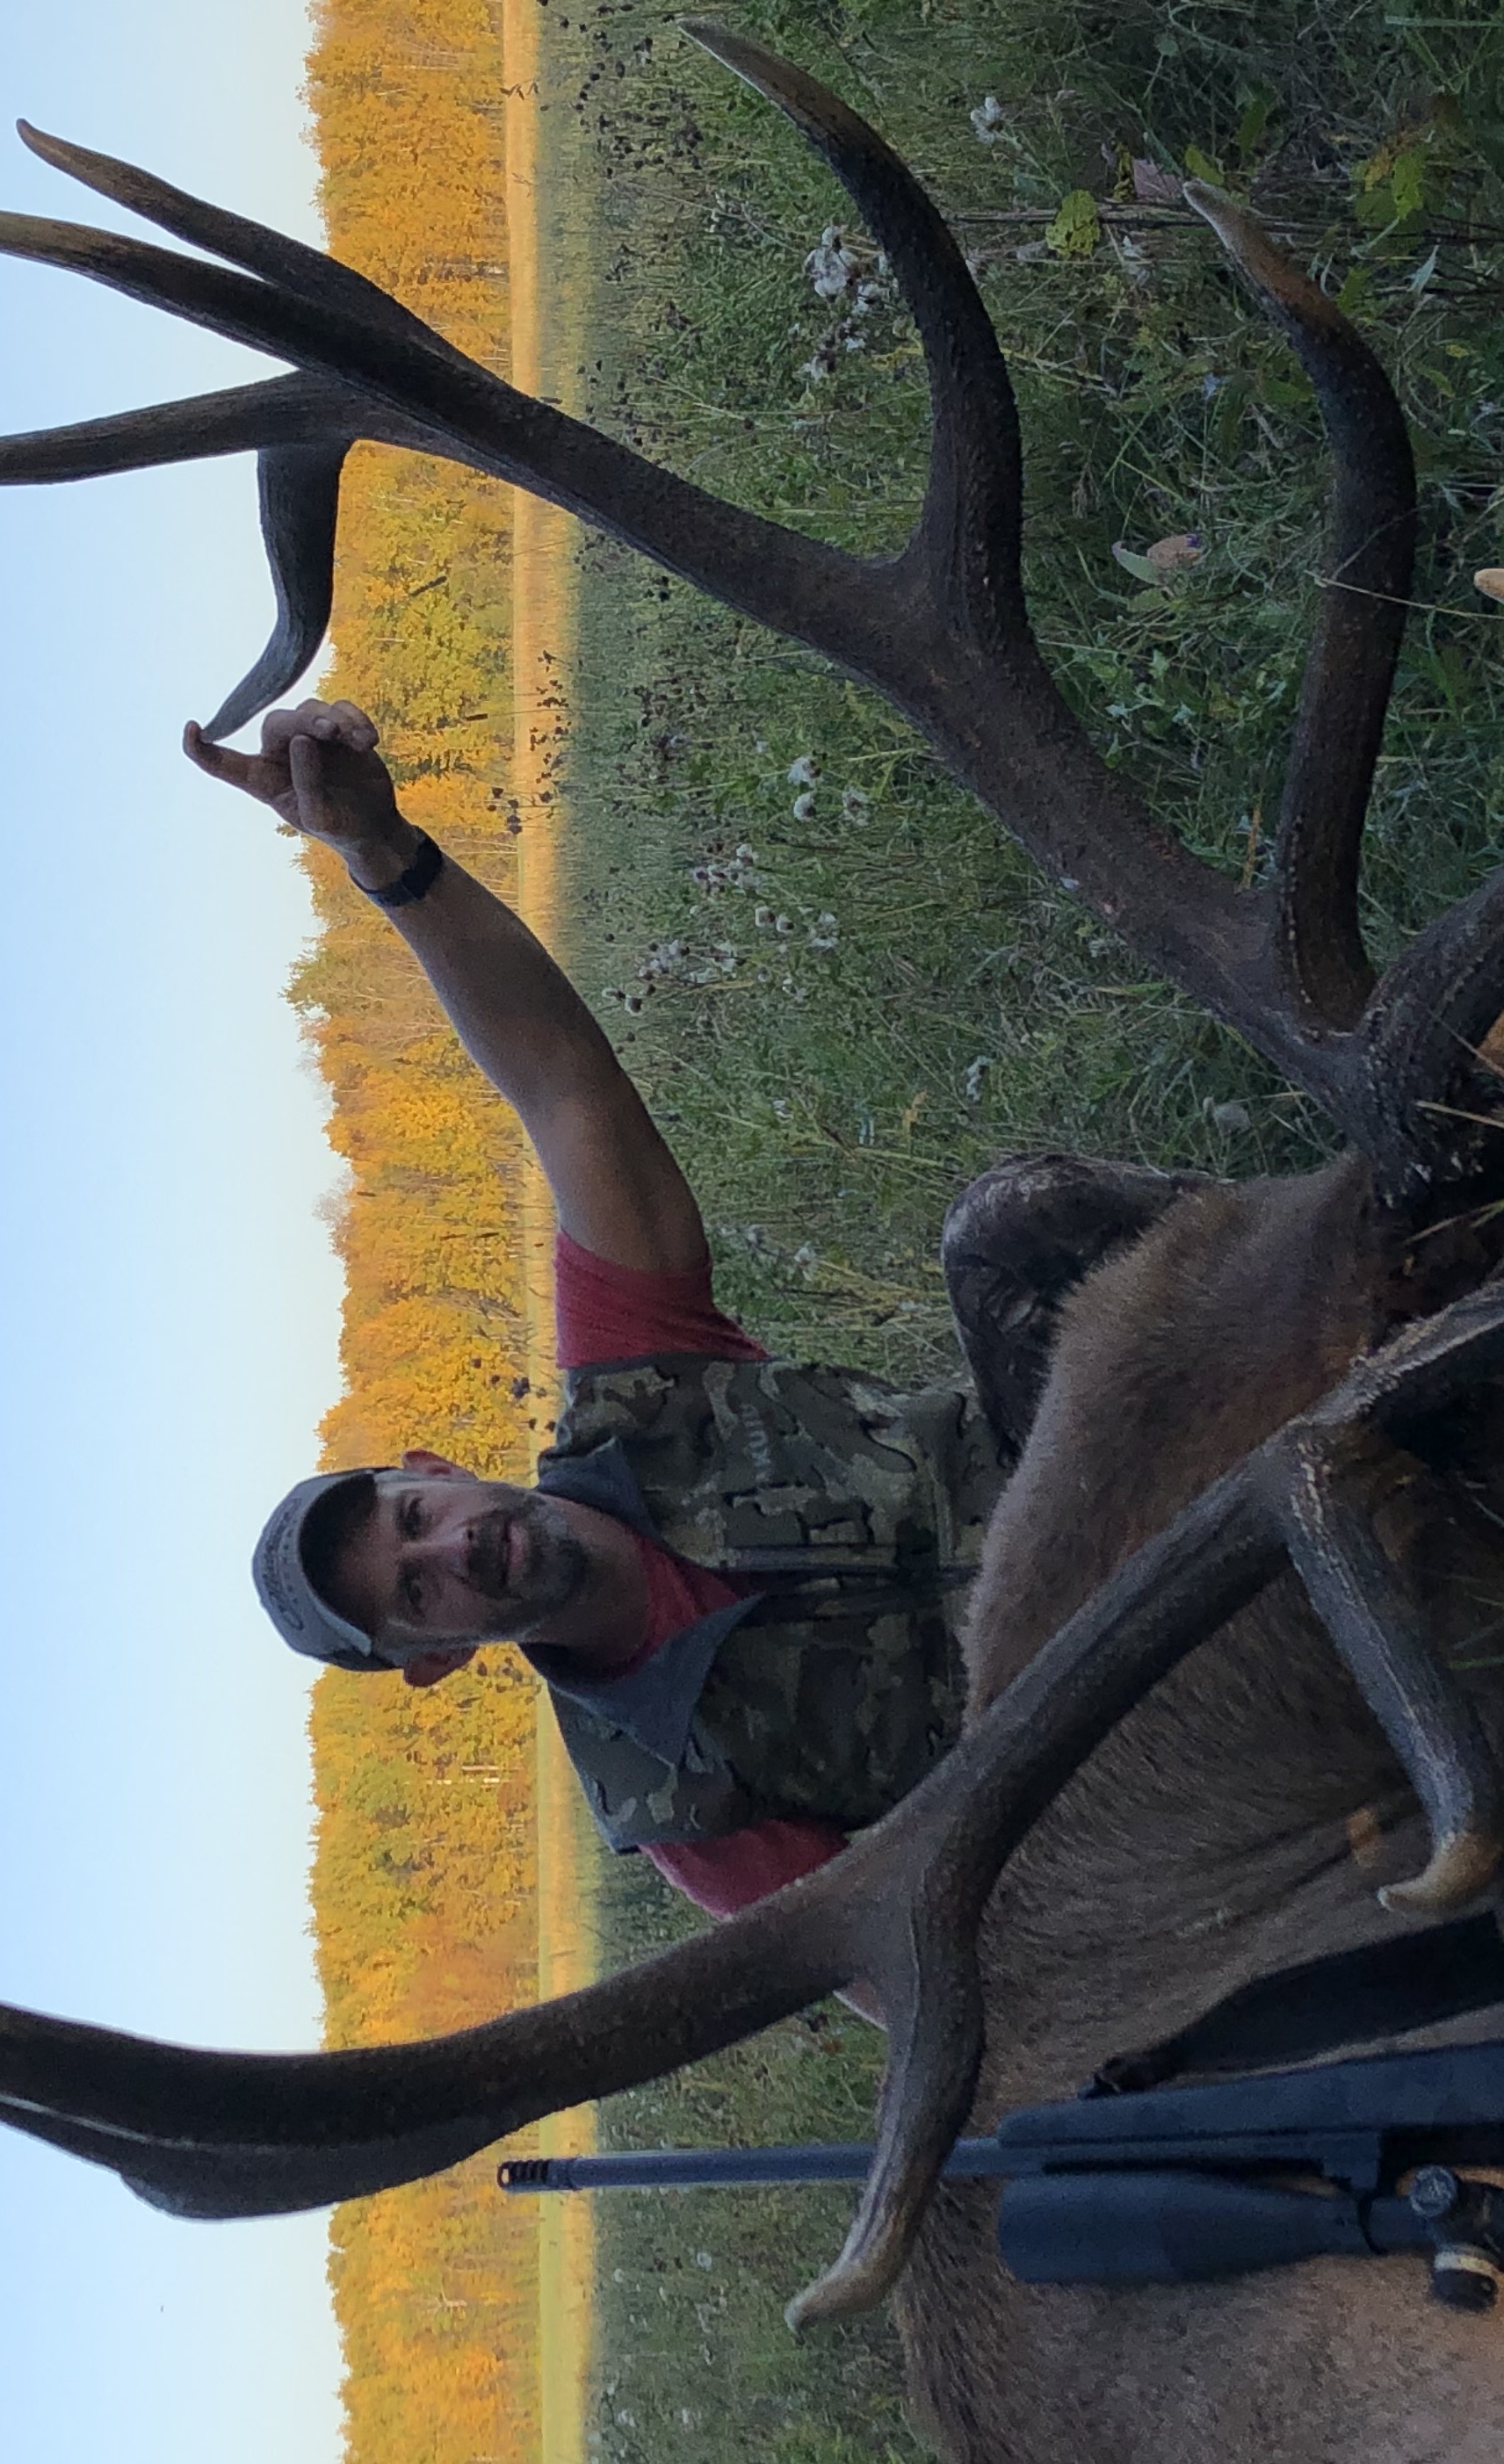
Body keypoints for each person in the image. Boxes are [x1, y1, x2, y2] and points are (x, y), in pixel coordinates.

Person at [200, 703, 1206, 1919]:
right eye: (417, 1593)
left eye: (415, 1516)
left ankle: (1410, 1243)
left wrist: (387, 856)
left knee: (1009, 1227)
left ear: (434, 1468)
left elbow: (564, 1091)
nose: (450, 1549)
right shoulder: (678, 1807)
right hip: (1129, 1713)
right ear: (437, 1661)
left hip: (1094, 1441)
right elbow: (913, 1957)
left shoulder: (639, 1386)